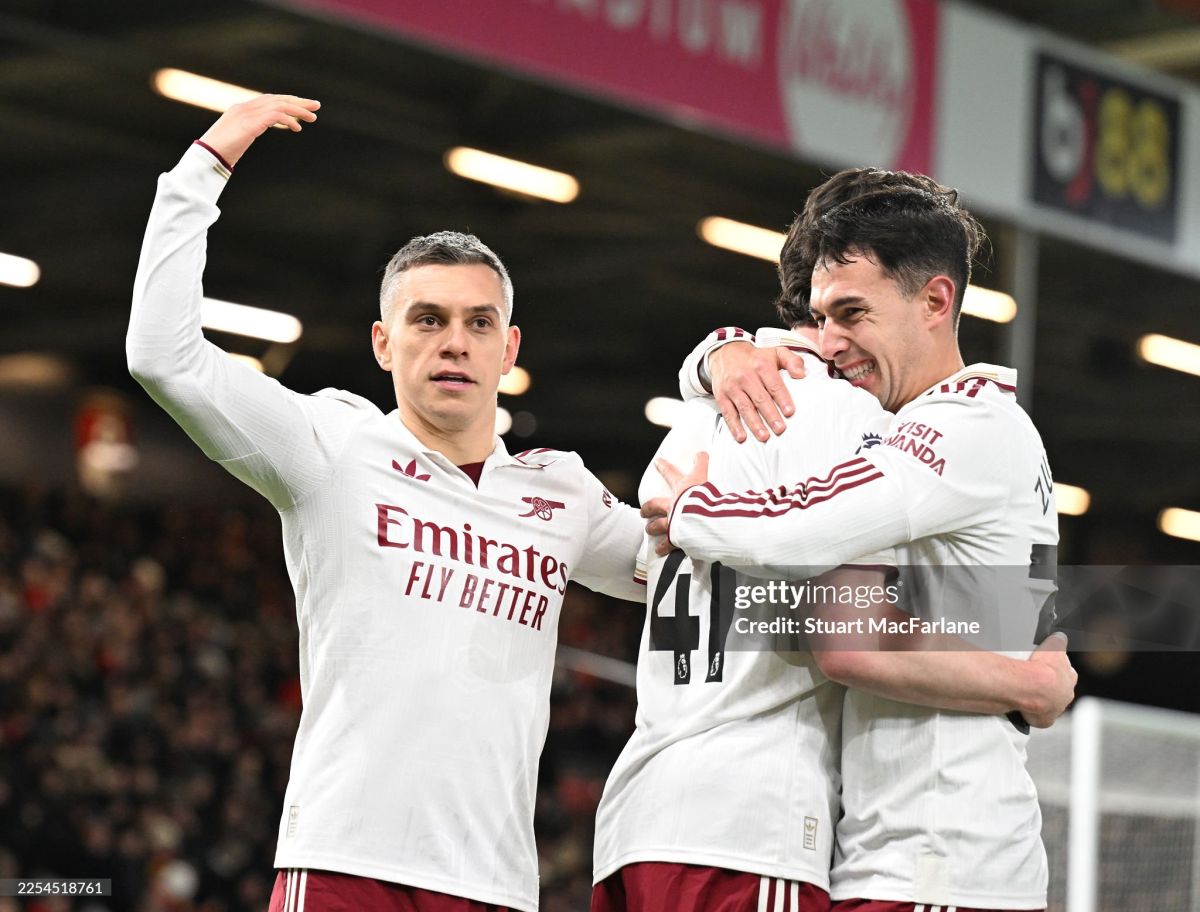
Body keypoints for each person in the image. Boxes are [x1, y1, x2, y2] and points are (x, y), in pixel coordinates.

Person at [127, 94, 646, 912]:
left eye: (479, 323)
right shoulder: (330, 447)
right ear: (383, 342)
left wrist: (722, 360)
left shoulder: (563, 492)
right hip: (345, 866)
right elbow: (164, 356)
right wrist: (204, 165)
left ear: (509, 348)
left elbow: (704, 569)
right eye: (427, 320)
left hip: (496, 885)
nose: (454, 343)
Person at [647, 169, 1071, 912]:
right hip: (932, 858)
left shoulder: (964, 430)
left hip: (935, 863)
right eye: (820, 317)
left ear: (935, 301)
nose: (831, 343)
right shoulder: (963, 431)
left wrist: (689, 512)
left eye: (852, 314)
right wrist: (721, 354)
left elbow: (821, 574)